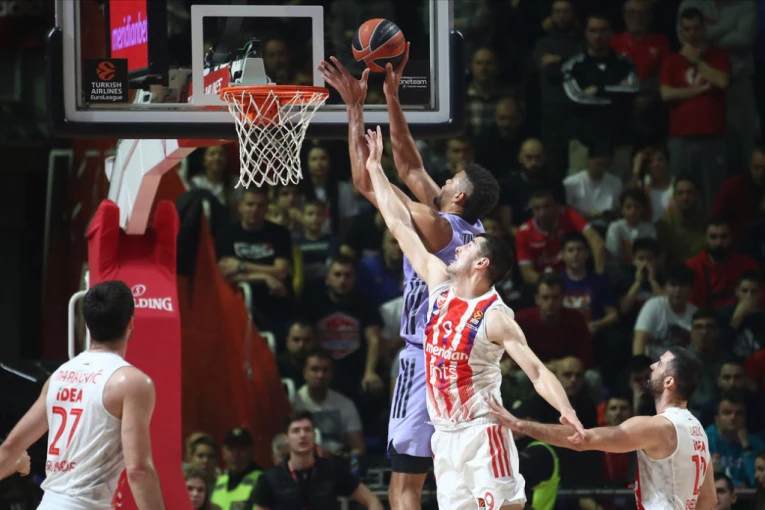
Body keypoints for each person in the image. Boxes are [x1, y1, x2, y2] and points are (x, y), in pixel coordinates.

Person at [363, 126, 584, 510]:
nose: (460, 247)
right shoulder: (438, 284)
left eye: (469, 248)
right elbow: (398, 223)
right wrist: (374, 168)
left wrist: (567, 412)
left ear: (481, 263)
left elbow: (537, 371)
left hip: (483, 432)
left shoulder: (495, 316)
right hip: (445, 437)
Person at [319, 46, 500, 509]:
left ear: (458, 196)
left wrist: (355, 108)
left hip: (425, 361)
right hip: (460, 364)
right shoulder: (469, 226)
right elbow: (411, 166)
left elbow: (368, 182)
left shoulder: (435, 226)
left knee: (404, 487)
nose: (444, 179)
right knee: (454, 480)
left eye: (451, 179)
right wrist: (392, 97)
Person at [0, 280, 165, 509]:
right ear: (130, 323)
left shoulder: (59, 376)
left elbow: (11, 446)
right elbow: (138, 470)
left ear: (86, 325)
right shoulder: (132, 382)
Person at [487, 346, 717, 510]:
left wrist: (521, 425)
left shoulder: (656, 426)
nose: (652, 366)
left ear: (669, 382)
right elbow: (708, 500)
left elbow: (582, 440)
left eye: (660, 363)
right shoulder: (697, 430)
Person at [251, 410, 383, 510]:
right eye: (296, 431)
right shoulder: (270, 478)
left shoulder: (332, 470)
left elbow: (371, 500)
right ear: (286, 438)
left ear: (314, 435)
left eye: (307, 430)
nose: (302, 435)